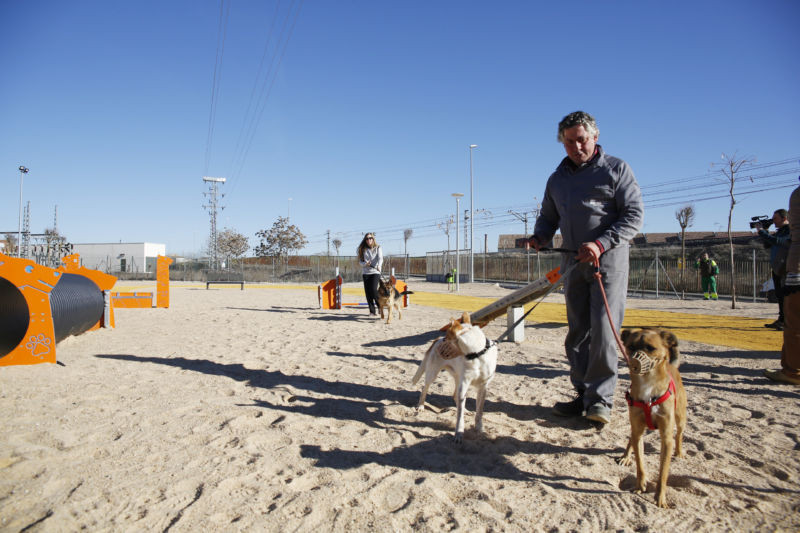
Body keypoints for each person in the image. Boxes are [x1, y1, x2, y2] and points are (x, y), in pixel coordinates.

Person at [528, 111, 644, 424]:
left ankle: (600, 401)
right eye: (569, 141)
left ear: (594, 137)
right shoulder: (557, 179)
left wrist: (601, 243)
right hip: (571, 263)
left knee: (605, 332)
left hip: (607, 262)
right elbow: (548, 217)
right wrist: (540, 236)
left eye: (582, 139)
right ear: (562, 142)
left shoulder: (617, 169)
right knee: (577, 332)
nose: (577, 146)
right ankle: (582, 395)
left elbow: (633, 216)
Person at [765, 188, 800, 385]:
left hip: (795, 273)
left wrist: (763, 232)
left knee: (794, 322)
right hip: (785, 270)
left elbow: (785, 241)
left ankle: (793, 370)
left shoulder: (797, 196)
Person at [757, 209, 790, 331]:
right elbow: (768, 244)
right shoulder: (779, 231)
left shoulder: (790, 230)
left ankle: (787, 321)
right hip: (777, 267)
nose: (773, 221)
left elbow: (779, 242)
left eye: (775, 218)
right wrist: (765, 231)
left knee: (786, 296)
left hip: (786, 267)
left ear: (784, 218)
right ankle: (781, 320)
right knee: (780, 296)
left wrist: (761, 232)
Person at [357, 233, 383, 316]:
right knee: (368, 293)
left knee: (373, 290)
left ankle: (379, 306)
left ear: (373, 239)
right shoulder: (362, 249)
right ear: (365, 240)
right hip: (366, 272)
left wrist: (379, 265)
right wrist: (365, 263)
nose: (369, 240)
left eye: (370, 238)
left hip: (375, 271)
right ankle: (372, 311)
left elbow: (380, 258)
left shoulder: (378, 247)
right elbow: (360, 262)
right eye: (367, 239)